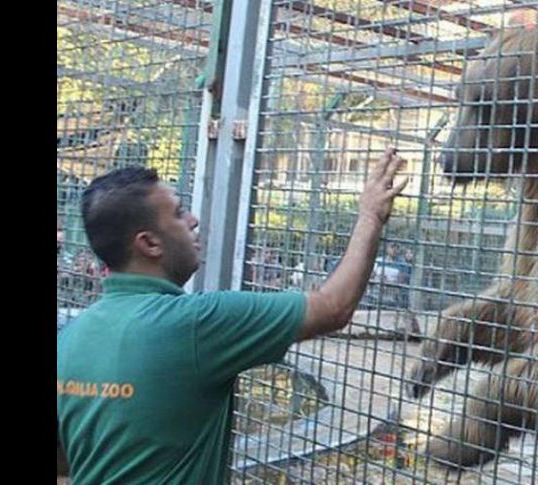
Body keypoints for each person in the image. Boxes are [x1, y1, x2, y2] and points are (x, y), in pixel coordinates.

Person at [57, 147, 408, 483]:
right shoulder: (194, 324)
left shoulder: (68, 339)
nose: (192, 220)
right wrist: (370, 215)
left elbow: (63, 467)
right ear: (150, 244)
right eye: (179, 213)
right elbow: (333, 307)